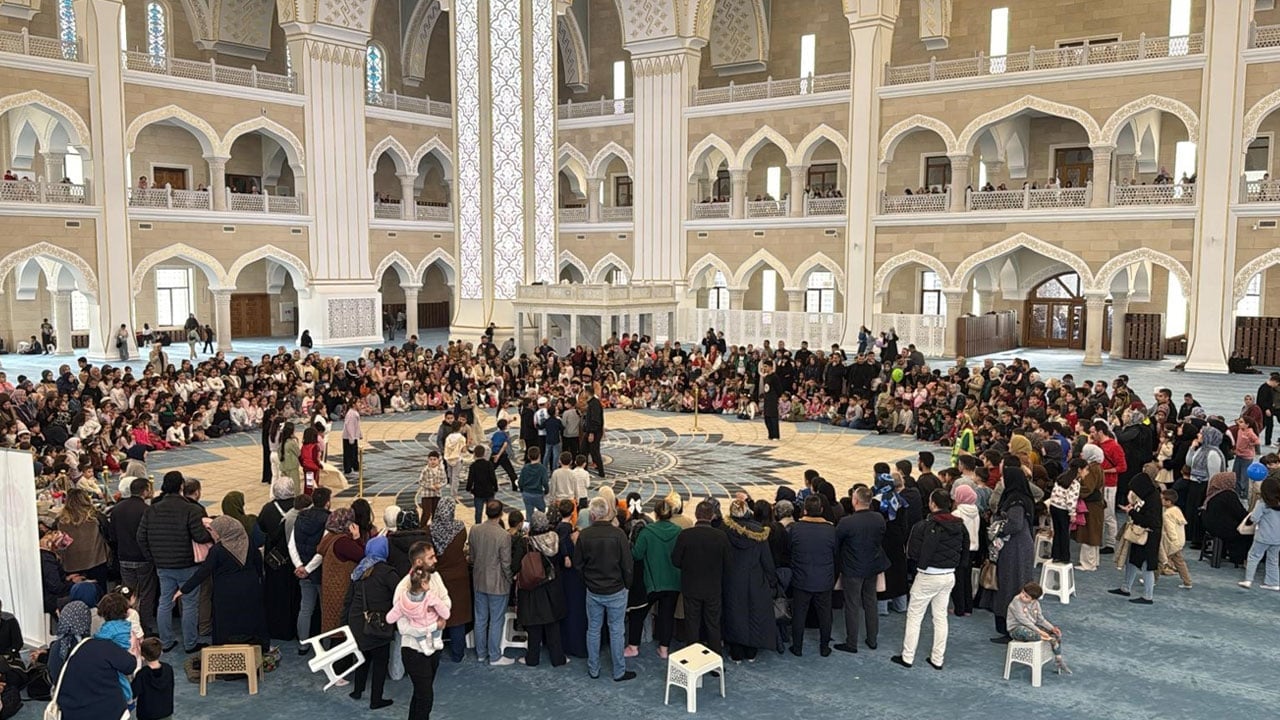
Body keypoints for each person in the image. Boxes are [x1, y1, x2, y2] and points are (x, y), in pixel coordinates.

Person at [137, 471, 213, 653]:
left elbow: (141, 536)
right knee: (189, 603)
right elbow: (200, 536)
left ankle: (165, 641)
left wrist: (152, 557)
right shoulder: (191, 509)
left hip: (163, 564)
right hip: (188, 564)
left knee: (165, 602)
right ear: (181, 486)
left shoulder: (152, 509)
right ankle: (190, 643)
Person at [892, 489, 967, 670]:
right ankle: (937, 659)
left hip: (928, 576)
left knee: (914, 617)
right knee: (940, 617)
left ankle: (908, 657)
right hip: (949, 575)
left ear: (932, 504)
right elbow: (965, 551)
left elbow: (912, 552)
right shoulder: (960, 525)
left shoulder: (924, 526)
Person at [176, 515, 269, 650]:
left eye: (214, 531)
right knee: (251, 619)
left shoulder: (218, 549)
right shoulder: (248, 542)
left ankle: (224, 652)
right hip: (251, 587)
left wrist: (184, 589)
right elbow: (258, 564)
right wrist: (259, 582)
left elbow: (204, 571)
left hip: (226, 592)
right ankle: (256, 648)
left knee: (226, 623)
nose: (213, 534)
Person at [574, 497, 635, 681]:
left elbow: (578, 565)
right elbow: (627, 565)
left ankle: (593, 669)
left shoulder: (584, 535)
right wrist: (627, 585)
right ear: (608, 512)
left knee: (593, 629)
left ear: (592, 515)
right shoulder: (618, 535)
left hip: (593, 591)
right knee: (616, 631)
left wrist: (587, 582)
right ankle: (619, 671)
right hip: (616, 590)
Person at [980, 464, 1035, 641]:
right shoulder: (1021, 497)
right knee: (1013, 584)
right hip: (1018, 547)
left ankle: (1011, 629)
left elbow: (1015, 524)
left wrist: (998, 529)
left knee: (1010, 586)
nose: (1001, 480)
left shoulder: (1015, 501)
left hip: (1015, 549)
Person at [395, 540, 449, 719]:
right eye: (431, 557)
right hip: (414, 651)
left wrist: (439, 612)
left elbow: (446, 600)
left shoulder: (436, 577)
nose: (435, 560)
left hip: (433, 647)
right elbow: (403, 627)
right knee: (426, 697)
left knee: (420, 694)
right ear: (419, 562)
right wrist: (433, 624)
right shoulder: (403, 588)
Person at [671, 498, 731, 657]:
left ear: (696, 515)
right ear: (712, 516)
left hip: (691, 587)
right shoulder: (721, 536)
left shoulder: (685, 535)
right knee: (713, 625)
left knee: (692, 625)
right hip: (713, 588)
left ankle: (693, 659)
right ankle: (715, 659)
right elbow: (728, 563)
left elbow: (675, 561)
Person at [47, 615, 137, 720]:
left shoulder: (61, 647)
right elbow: (129, 666)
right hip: (107, 711)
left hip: (72, 710)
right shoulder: (106, 647)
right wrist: (133, 652)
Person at [721, 498, 778, 662]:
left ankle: (736, 653)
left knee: (733, 615)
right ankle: (751, 651)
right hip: (754, 580)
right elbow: (767, 561)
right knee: (754, 614)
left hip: (731, 579)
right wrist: (772, 581)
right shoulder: (759, 531)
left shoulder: (724, 529)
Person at [345, 535, 397, 710]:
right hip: (378, 622)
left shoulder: (359, 570)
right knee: (381, 662)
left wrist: (344, 623)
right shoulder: (387, 572)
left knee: (363, 657)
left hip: (357, 621)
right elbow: (399, 594)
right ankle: (376, 699)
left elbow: (348, 599)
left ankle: (357, 690)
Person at [835, 485, 888, 653]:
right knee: (871, 602)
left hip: (852, 569)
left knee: (852, 605)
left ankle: (851, 643)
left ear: (855, 500)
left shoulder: (847, 522)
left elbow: (836, 541)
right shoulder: (879, 518)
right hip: (872, 566)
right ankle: (872, 639)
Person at [511, 510, 568, 667]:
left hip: (533, 588)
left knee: (534, 626)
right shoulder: (555, 539)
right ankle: (558, 658)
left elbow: (515, 566)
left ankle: (532, 658)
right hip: (552, 587)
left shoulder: (526, 543)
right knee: (553, 625)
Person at [787, 495, 837, 657]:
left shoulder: (796, 528)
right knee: (825, 615)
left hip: (801, 579)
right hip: (824, 579)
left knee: (799, 614)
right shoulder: (831, 530)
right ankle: (824, 647)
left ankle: (797, 647)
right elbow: (836, 553)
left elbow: (789, 550)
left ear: (805, 510)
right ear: (821, 510)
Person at [631, 499, 681, 659]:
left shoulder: (647, 532)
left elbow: (637, 554)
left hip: (651, 582)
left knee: (638, 613)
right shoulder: (679, 531)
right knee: (667, 615)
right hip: (673, 581)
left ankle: (633, 646)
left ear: (655, 513)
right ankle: (664, 649)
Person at [108, 477, 157, 636]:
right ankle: (145, 626)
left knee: (127, 592)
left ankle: (128, 624)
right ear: (145, 491)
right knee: (146, 592)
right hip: (142, 557)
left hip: (124, 556)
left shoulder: (117, 509)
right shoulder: (147, 510)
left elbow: (112, 535)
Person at [470, 500, 515, 666]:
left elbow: (472, 557)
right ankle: (494, 655)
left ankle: (481, 653)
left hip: (479, 580)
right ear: (501, 514)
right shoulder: (504, 535)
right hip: (497, 584)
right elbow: (506, 563)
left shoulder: (475, 530)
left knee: (480, 619)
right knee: (496, 620)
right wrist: (510, 579)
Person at [1109, 470, 1163, 604]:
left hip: (1148, 536)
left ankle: (1148, 596)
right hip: (1143, 534)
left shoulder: (1152, 499)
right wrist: (1133, 508)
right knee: (1132, 561)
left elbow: (1149, 520)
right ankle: (1126, 587)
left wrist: (1132, 512)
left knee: (1146, 565)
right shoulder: (1150, 495)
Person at [258, 477, 300, 641]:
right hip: (296, 557)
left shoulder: (268, 509)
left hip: (274, 558)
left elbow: (261, 528)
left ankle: (277, 628)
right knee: (296, 593)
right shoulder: (299, 506)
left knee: (276, 593)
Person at [430, 498, 473, 662]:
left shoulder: (430, 530)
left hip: (439, 577)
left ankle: (435, 653)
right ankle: (458, 654)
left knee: (437, 615)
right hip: (459, 577)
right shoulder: (460, 528)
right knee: (458, 617)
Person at [290, 487, 331, 653]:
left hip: (302, 570)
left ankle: (303, 643)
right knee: (325, 609)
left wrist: (299, 566)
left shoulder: (300, 516)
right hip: (320, 572)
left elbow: (292, 544)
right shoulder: (328, 519)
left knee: (305, 608)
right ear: (327, 502)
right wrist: (308, 569)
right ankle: (327, 645)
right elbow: (322, 549)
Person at [1006, 582, 1070, 675]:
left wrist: (1052, 628)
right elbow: (1023, 620)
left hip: (1032, 628)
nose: (1022, 596)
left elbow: (1040, 620)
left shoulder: (1036, 604)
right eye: (1022, 592)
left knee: (1055, 634)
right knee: (1024, 631)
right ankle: (1045, 638)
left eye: (1026, 596)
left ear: (1033, 600)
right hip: (1016, 629)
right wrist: (1039, 632)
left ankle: (1058, 659)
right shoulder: (1016, 601)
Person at [1201, 471, 1251, 566]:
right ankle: (1240, 558)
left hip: (1210, 525)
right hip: (1222, 528)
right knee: (1247, 533)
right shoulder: (1229, 495)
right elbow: (1240, 513)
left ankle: (1224, 553)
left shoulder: (1212, 493)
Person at [1239, 476, 1280, 589]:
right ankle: (1273, 583)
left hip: (1263, 536)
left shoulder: (1262, 504)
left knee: (1253, 556)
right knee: (1273, 560)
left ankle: (1248, 580)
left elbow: (1254, 518)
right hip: (1278, 538)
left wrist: (1247, 522)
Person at [1073, 449, 1106, 571]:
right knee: (1094, 532)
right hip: (1097, 504)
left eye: (1084, 452)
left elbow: (1087, 488)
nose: (1081, 454)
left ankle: (1088, 563)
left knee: (1088, 532)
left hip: (1091, 505)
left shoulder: (1091, 469)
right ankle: (1093, 561)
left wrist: (1074, 491)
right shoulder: (1098, 467)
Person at [130, 637, 173, 720]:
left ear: (142, 656)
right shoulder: (168, 669)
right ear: (161, 652)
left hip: (147, 714)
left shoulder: (142, 674)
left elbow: (133, 693)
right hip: (166, 711)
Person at [1047, 461, 1080, 564]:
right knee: (1065, 533)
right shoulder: (1075, 483)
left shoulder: (1061, 478)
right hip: (1063, 509)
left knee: (1057, 532)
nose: (1087, 472)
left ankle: (1056, 555)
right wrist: (1072, 514)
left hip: (1054, 506)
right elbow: (1071, 500)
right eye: (1086, 470)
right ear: (1080, 470)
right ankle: (1065, 557)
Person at [1159, 488, 1193, 589]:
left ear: (1168, 501)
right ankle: (1187, 582)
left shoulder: (1167, 514)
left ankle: (1152, 579)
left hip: (1171, 542)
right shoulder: (1177, 510)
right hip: (1180, 540)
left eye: (1162, 499)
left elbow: (1170, 529)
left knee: (1161, 560)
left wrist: (1173, 541)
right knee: (1179, 562)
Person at [582, 386, 606, 478]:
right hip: (590, 431)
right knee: (584, 450)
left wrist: (591, 433)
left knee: (594, 452)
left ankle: (601, 472)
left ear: (587, 393)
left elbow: (595, 420)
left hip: (594, 432)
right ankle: (584, 469)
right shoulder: (591, 403)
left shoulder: (594, 404)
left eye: (584, 392)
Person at [518, 445, 549, 517]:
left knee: (529, 513)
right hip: (537, 494)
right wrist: (546, 491)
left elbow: (520, 482)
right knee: (542, 511)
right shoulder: (542, 468)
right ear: (539, 456)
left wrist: (522, 490)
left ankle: (529, 523)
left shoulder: (525, 468)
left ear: (528, 456)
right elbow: (545, 482)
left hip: (527, 493)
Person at [490, 418, 518, 490]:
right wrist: (498, 455)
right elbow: (504, 446)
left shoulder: (495, 434)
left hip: (494, 454)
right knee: (510, 471)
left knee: (489, 471)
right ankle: (515, 487)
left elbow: (491, 444)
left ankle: (491, 486)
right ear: (505, 426)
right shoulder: (505, 435)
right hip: (502, 455)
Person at [418, 451, 445, 521]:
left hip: (437, 494)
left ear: (438, 460)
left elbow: (444, 480)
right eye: (431, 459)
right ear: (428, 460)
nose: (432, 461)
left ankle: (434, 526)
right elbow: (421, 481)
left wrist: (440, 485)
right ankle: (422, 526)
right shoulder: (425, 470)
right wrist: (430, 486)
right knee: (426, 513)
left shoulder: (441, 470)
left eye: (434, 459)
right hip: (427, 495)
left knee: (436, 513)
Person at [761, 362, 780, 441]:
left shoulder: (775, 377)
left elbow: (778, 388)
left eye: (766, 366)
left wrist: (776, 397)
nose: (764, 368)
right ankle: (770, 434)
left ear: (770, 367)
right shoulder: (766, 377)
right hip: (767, 398)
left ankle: (775, 435)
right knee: (767, 417)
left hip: (773, 399)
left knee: (773, 417)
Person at [342, 403, 361, 475]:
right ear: (353, 404)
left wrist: (359, 434)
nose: (360, 404)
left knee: (354, 453)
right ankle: (348, 469)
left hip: (353, 435)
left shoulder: (354, 413)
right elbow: (349, 427)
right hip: (349, 436)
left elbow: (357, 425)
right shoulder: (350, 414)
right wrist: (351, 437)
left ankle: (355, 467)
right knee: (349, 454)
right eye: (358, 402)